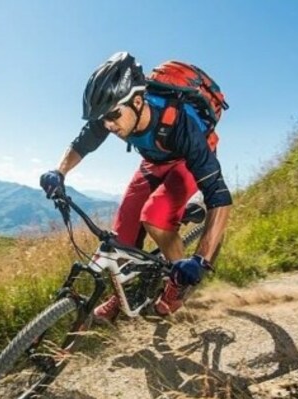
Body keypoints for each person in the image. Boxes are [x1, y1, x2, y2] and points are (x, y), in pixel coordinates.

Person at [39, 52, 232, 321]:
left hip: (187, 160)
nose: (108, 124)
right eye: (103, 118)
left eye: (113, 116)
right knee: (122, 237)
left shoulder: (179, 123)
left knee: (156, 217)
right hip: (154, 161)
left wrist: (201, 259)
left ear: (138, 101)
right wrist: (59, 172)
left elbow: (220, 196)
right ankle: (123, 296)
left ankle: (177, 286)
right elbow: (83, 142)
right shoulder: (115, 111)